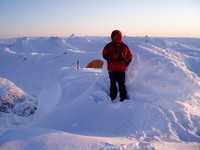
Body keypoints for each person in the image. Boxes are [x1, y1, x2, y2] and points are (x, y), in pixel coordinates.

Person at [102, 30, 132, 102]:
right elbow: (105, 55)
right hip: (112, 69)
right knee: (113, 83)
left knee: (122, 84)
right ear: (112, 36)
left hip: (121, 69)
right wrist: (115, 56)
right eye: (114, 36)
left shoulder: (125, 46)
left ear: (120, 36)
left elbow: (129, 56)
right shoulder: (108, 46)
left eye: (117, 35)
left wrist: (126, 63)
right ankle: (113, 97)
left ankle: (123, 98)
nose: (116, 37)